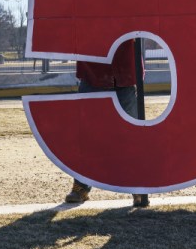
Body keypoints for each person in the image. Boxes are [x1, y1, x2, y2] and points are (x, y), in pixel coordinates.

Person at [63, 40, 150, 208]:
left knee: (132, 136)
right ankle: (81, 185)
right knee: (86, 136)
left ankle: (138, 186)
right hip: (93, 71)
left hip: (124, 72)